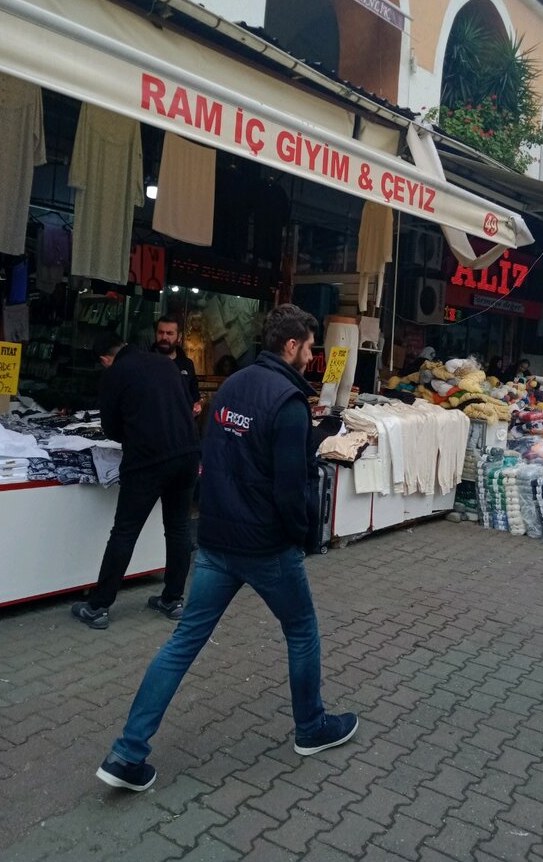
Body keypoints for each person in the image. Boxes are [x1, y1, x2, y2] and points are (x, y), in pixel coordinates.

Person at [95, 304, 358, 791]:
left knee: (182, 643)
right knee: (302, 631)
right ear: (291, 346)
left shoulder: (234, 386)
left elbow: (221, 454)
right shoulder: (289, 401)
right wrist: (304, 537)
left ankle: (126, 753)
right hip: (264, 545)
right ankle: (312, 726)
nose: (312, 356)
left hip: (216, 539)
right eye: (309, 346)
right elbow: (287, 487)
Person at [71, 332, 200, 630]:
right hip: (188, 453)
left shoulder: (115, 373)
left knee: (125, 531)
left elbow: (112, 427)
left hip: (148, 460)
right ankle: (173, 599)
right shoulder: (166, 364)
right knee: (179, 527)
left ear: (106, 359)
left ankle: (98, 606)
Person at [152, 315, 202, 417]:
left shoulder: (187, 364)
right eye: (160, 332)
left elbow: (195, 398)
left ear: (179, 337)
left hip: (179, 426)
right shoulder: (144, 363)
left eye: (169, 333)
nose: (164, 337)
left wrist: (196, 409)